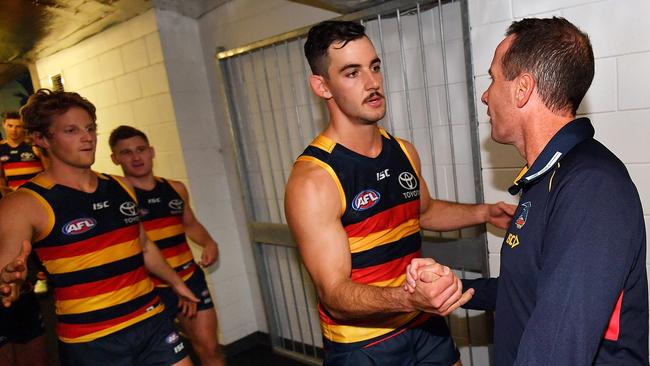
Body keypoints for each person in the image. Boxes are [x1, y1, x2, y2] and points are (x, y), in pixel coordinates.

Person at [407, 17, 648, 365]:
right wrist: (455, 288)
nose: (485, 95)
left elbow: (557, 351)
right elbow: (528, 289)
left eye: (492, 78)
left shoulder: (592, 186)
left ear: (522, 89)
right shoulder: (547, 177)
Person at [284, 20, 515, 365]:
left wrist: (484, 212)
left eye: (374, 67)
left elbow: (422, 212)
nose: (372, 82)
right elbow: (333, 293)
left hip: (425, 325)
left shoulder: (404, 151)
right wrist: (409, 299)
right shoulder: (314, 180)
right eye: (351, 73)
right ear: (322, 86)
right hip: (364, 344)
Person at [0, 89, 200, 366]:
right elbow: (8, 274)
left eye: (90, 128)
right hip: (92, 338)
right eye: (71, 130)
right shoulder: (23, 204)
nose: (87, 137)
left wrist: (178, 283)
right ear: (41, 138)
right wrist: (12, 280)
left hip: (151, 319)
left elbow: (142, 245)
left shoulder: (120, 186)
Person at [109, 125, 224, 366]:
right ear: (115, 158)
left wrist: (208, 242)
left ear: (151, 152)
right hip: (150, 289)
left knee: (210, 349)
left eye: (140, 149)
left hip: (190, 278)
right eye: (126, 152)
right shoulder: (117, 198)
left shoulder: (175, 188)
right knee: (161, 359)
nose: (136, 157)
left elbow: (190, 224)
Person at [0, 111, 44, 192]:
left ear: (23, 128)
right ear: (4, 125)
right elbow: (1, 177)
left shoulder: (35, 146)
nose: (14, 130)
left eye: (18, 126)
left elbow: (49, 171)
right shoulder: (1, 149)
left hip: (38, 195)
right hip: (15, 197)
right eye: (10, 126)